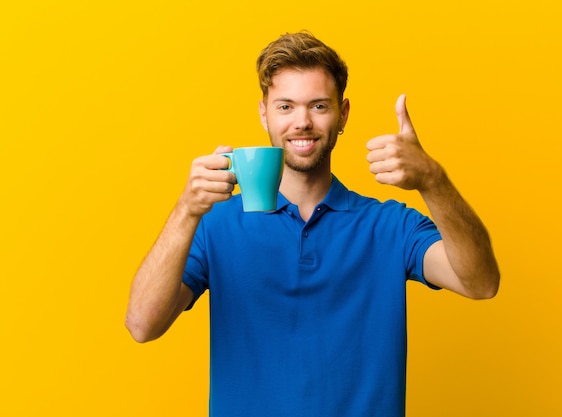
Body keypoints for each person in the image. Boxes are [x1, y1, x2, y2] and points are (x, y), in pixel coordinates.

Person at [125, 31, 500, 417]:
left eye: (319, 106)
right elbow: (142, 324)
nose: (302, 122)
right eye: (285, 107)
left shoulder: (390, 226)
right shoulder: (214, 225)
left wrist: (433, 180)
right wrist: (186, 209)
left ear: (343, 114)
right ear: (263, 114)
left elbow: (481, 282)